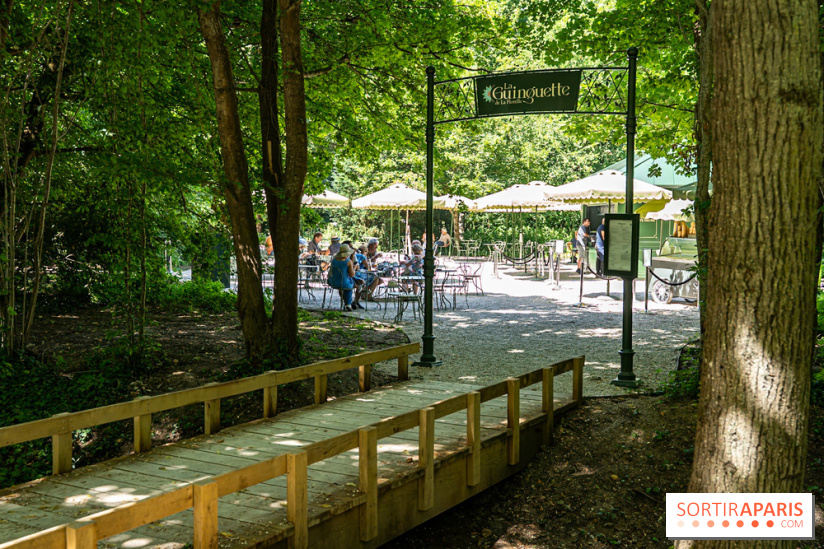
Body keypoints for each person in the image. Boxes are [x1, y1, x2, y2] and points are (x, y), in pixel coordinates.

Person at [326, 244, 362, 311]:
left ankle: (347, 303)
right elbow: (352, 274)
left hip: (333, 282)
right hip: (344, 283)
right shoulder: (348, 262)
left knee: (347, 283)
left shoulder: (334, 261)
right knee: (350, 286)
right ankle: (348, 304)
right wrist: (354, 267)